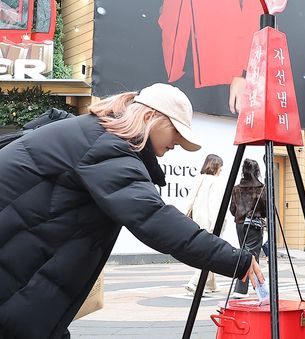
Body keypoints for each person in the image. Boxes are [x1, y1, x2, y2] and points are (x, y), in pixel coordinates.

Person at [0, 83, 263, 339]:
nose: (177, 144)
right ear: (150, 116)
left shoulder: (95, 135)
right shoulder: (107, 146)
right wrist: (234, 259)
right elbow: (154, 219)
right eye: (176, 133)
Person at [184, 154, 226, 296]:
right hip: (209, 223)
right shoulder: (215, 182)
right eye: (220, 166)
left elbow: (190, 202)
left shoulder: (199, 179)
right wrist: (217, 224)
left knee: (207, 252)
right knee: (209, 253)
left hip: (197, 221)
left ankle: (210, 285)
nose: (221, 169)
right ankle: (195, 282)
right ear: (216, 166)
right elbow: (215, 205)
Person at [229, 158, 267, 298]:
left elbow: (232, 209)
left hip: (239, 224)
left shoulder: (236, 188)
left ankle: (257, 287)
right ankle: (242, 289)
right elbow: (266, 210)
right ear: (257, 171)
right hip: (254, 224)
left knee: (245, 252)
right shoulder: (261, 188)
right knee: (251, 254)